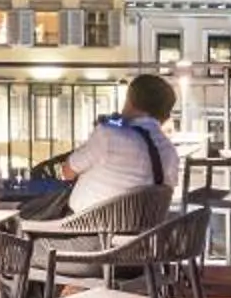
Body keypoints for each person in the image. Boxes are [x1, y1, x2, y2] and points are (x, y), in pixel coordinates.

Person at [39, 73, 180, 218]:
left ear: (130, 102)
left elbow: (67, 172)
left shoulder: (109, 135)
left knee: (26, 227)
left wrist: (101, 131)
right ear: (165, 116)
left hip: (83, 232)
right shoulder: (170, 152)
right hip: (141, 235)